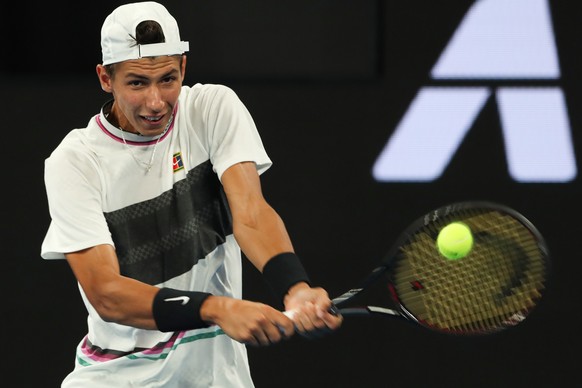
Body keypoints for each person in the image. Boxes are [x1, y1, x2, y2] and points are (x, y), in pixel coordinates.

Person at [40, 2, 342, 386]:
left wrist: (295, 288)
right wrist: (216, 309)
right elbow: (107, 293)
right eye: (137, 83)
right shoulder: (74, 161)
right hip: (116, 377)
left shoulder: (212, 109)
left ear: (183, 67)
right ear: (105, 78)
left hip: (216, 375)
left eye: (168, 79)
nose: (155, 101)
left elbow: (250, 213)